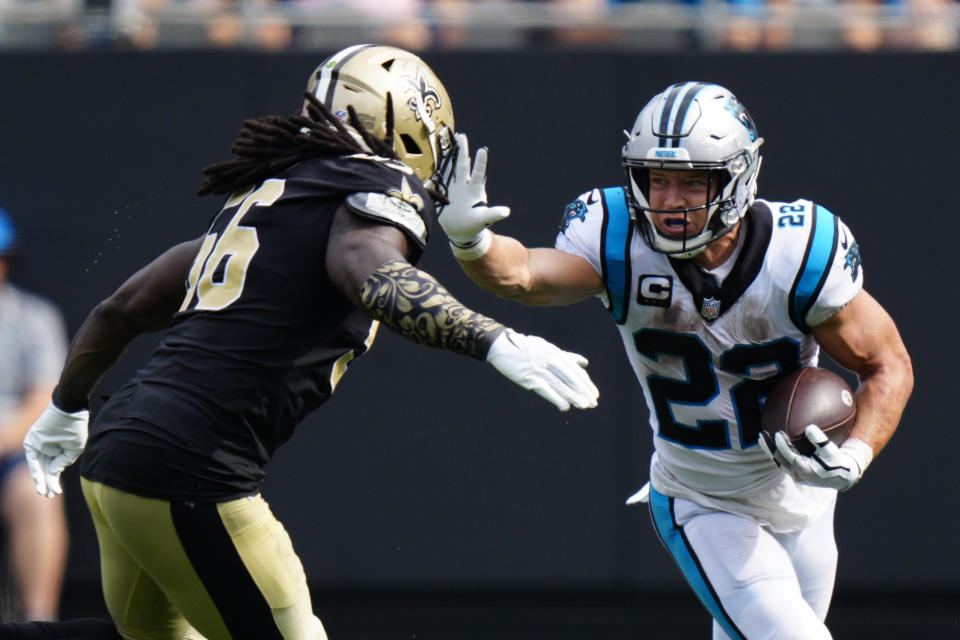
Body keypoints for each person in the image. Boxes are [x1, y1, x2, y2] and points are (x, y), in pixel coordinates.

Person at [21, 44, 599, 640]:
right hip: (191, 472)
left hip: (117, 455)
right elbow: (370, 274)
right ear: (405, 125)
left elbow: (125, 308)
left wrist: (68, 405)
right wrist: (494, 340)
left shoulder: (273, 193)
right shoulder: (376, 182)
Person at [436, 81, 912, 638]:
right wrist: (475, 245)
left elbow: (887, 363)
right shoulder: (616, 235)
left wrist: (856, 454)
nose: (668, 200)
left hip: (803, 498)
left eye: (692, 182)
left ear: (739, 176)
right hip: (703, 500)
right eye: (655, 180)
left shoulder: (799, 249)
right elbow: (525, 277)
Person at [0, 208, 70, 622]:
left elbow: (43, 399)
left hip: (11, 454)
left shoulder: (34, 317)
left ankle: (38, 623)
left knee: (38, 496)